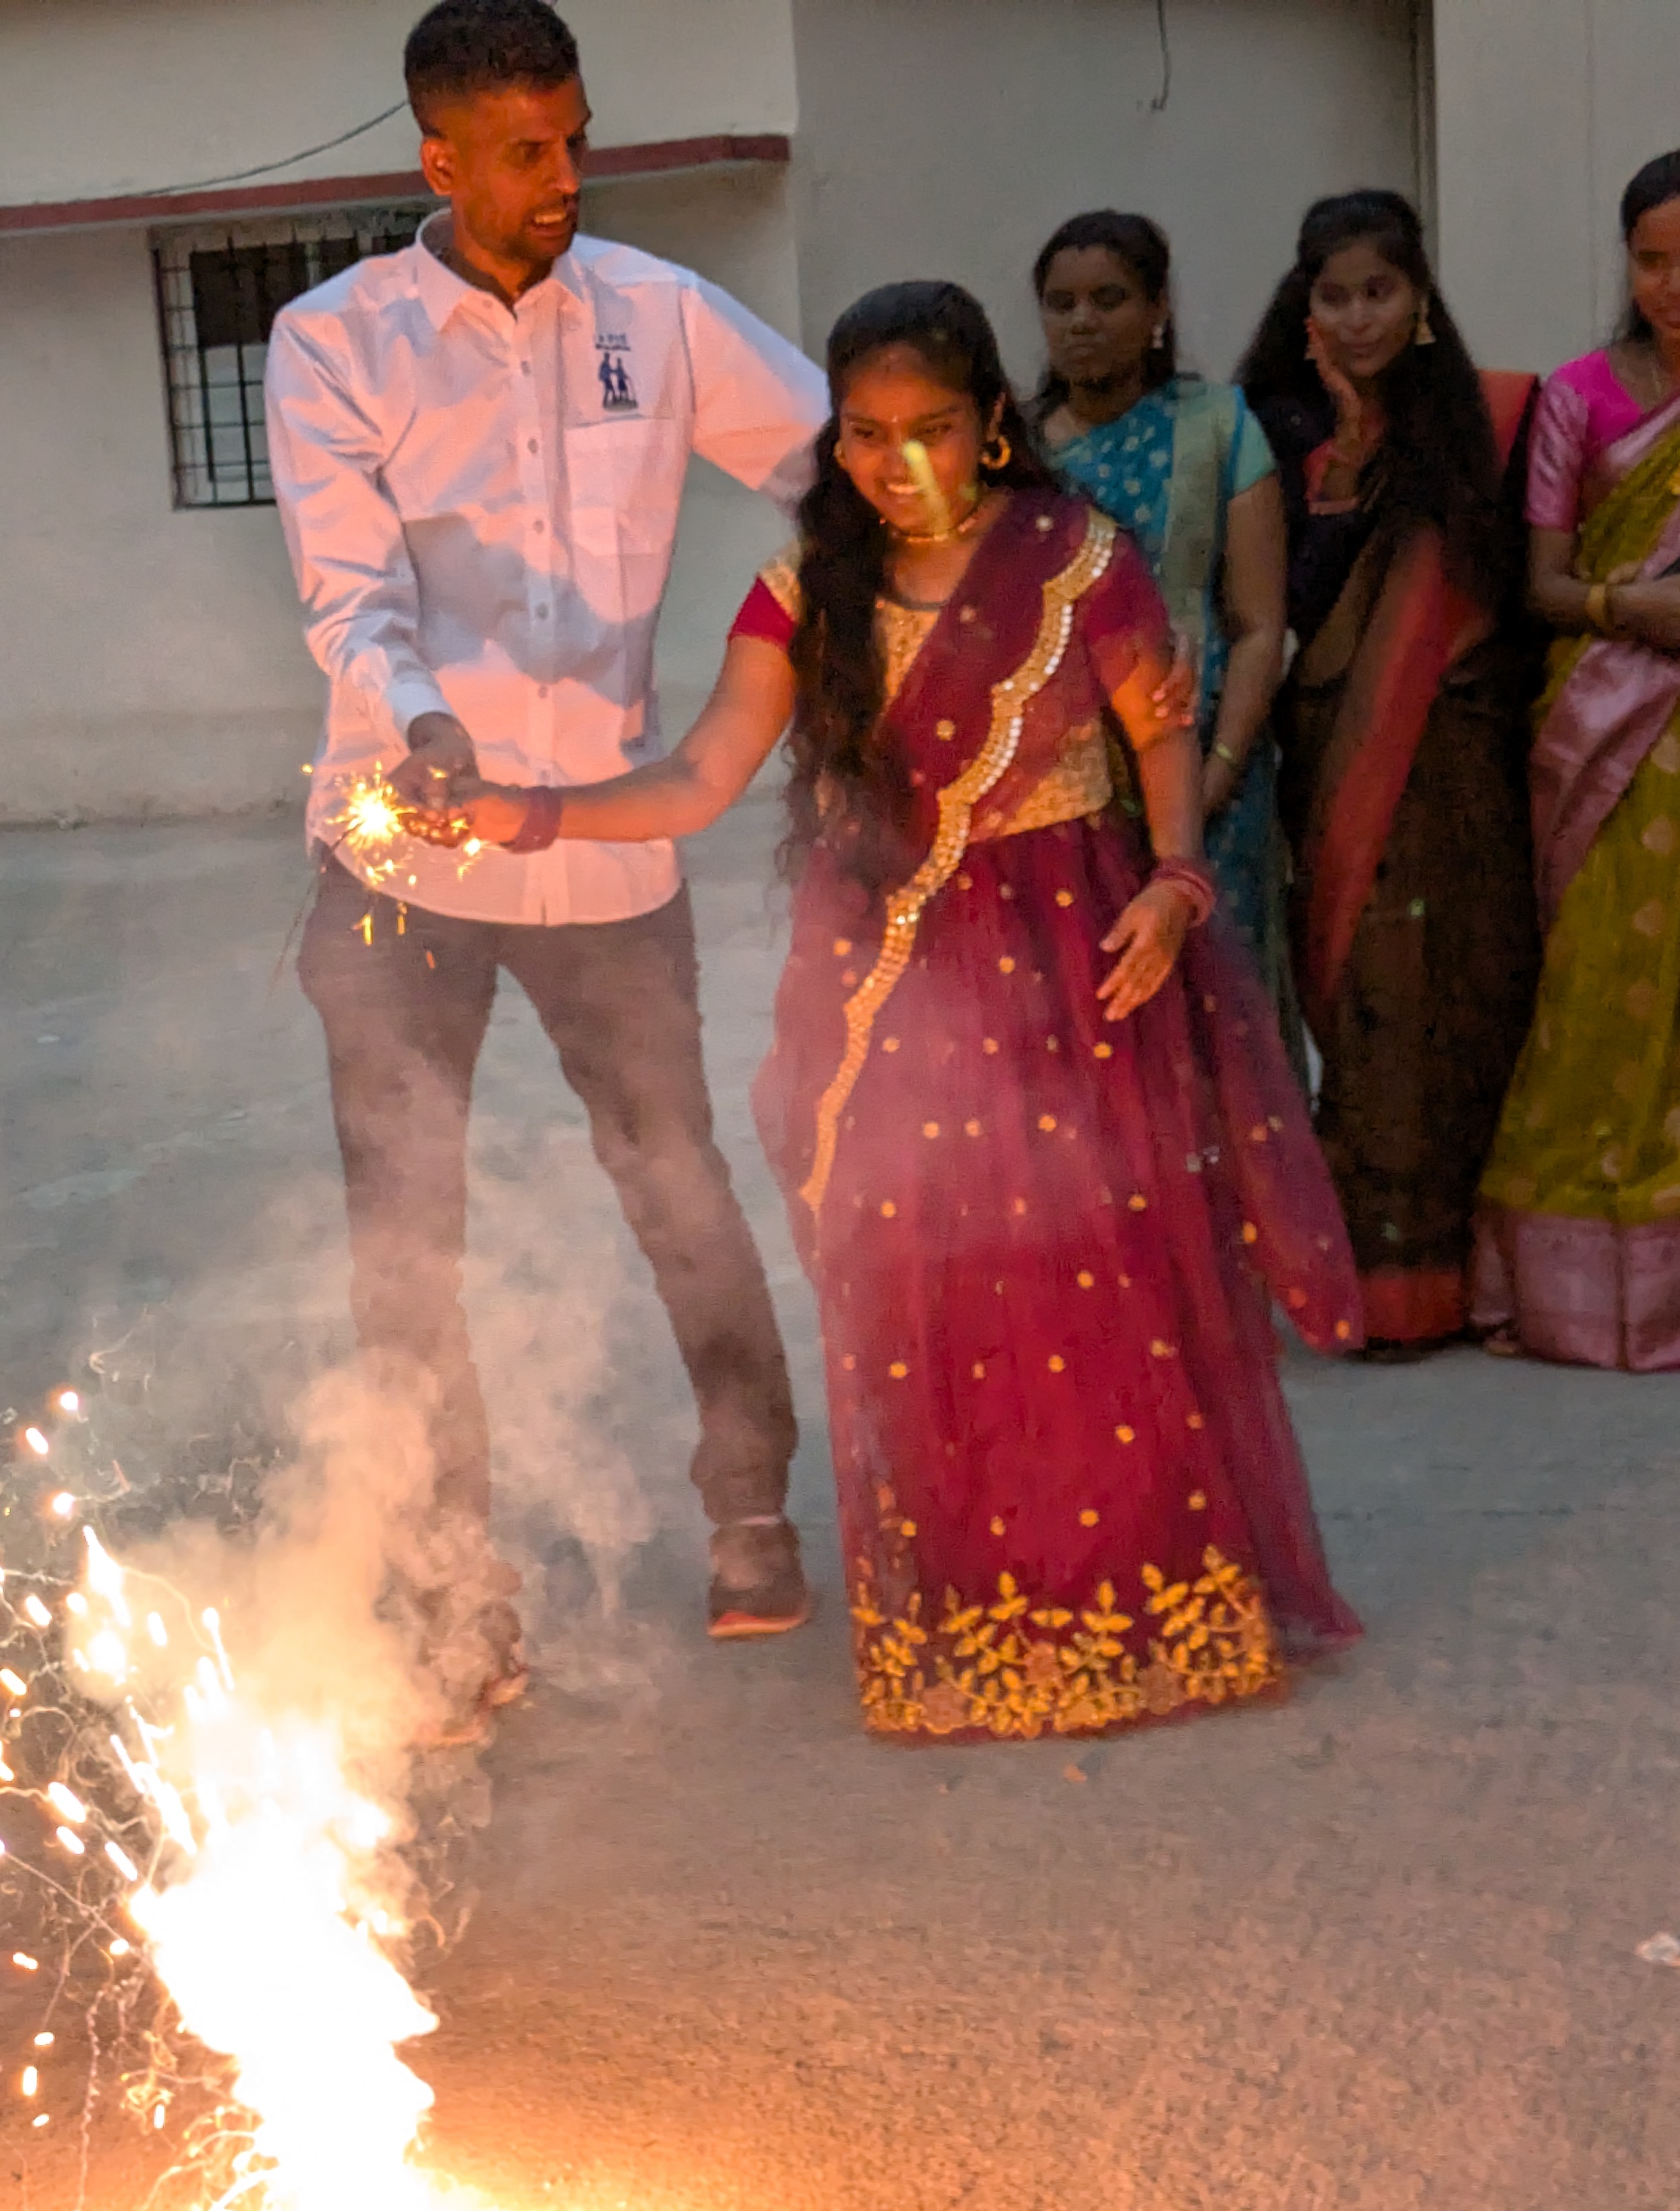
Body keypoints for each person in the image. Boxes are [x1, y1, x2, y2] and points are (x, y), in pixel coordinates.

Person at [427, 281, 1361, 1745]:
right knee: (927, 1285)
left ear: (992, 423)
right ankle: (977, 1622)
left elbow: (1159, 731)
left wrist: (1176, 881)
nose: (897, 465)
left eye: (930, 429)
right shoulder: (804, 594)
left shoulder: (1072, 562)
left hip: (1071, 957)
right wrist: (526, 811)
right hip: (891, 987)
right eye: (863, 436)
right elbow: (695, 779)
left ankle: (1141, 1609)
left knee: (1091, 1280)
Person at [263, 0, 825, 1726]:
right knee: (405, 1237)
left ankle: (749, 1509)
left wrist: (810, 629)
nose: (566, 175)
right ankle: (453, 1592)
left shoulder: (657, 317)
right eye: (527, 150)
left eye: (577, 137)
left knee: (675, 1179)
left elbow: (846, 469)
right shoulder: (336, 339)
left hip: (599, 844)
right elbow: (351, 593)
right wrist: (425, 725)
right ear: (439, 156)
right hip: (402, 847)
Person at [1242, 191, 1540, 1357]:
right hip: (1332, 756)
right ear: (1304, 304)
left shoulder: (1489, 421)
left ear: (1418, 300)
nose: (1359, 316)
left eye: (1380, 291)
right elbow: (1279, 607)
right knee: (1364, 1008)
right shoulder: (1270, 425)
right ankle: (1371, 1275)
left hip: (1463, 766)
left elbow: (1511, 593)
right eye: (1336, 295)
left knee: (1468, 997)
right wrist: (1342, 469)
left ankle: (1464, 1275)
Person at [1476, 148, 1680, 1368]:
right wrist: (1642, 614)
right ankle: (1578, 1283)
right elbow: (1538, 585)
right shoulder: (1579, 395)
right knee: (1598, 982)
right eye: (1652, 261)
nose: (1675, 286)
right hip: (1610, 722)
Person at [1033, 212, 1292, 999]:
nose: (1082, 321)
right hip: (1070, 795)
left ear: (1157, 313)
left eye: (1108, 299)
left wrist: (1213, 778)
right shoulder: (1023, 457)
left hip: (1214, 771)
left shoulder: (1218, 426)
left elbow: (1256, 628)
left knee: (1228, 1016)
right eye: (1061, 302)